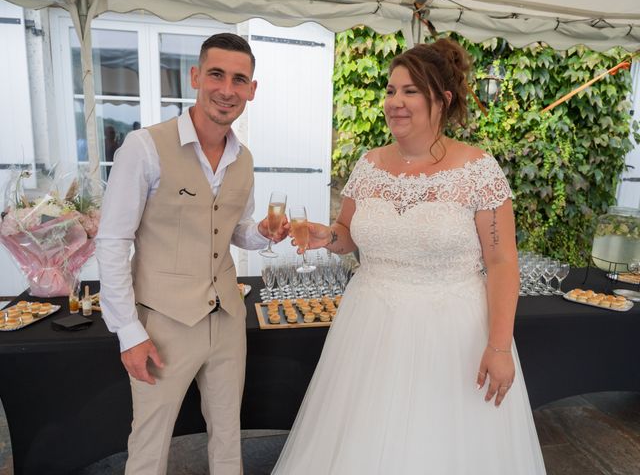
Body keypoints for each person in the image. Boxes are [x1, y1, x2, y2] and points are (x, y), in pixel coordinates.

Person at [272, 38, 546, 474]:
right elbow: (348, 235)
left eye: (409, 91)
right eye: (390, 91)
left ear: (443, 100)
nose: (394, 102)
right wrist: (326, 236)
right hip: (369, 329)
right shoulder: (369, 165)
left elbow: (502, 263)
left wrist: (499, 346)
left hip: (452, 335)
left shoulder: (477, 171)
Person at [96, 33, 287, 475]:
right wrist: (129, 332)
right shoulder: (144, 147)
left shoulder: (245, 158)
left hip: (226, 317)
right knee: (149, 442)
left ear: (252, 90)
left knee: (227, 435)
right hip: (163, 322)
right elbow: (112, 242)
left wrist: (262, 233)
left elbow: (232, 231)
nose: (227, 89)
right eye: (217, 75)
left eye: (240, 80)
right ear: (196, 77)